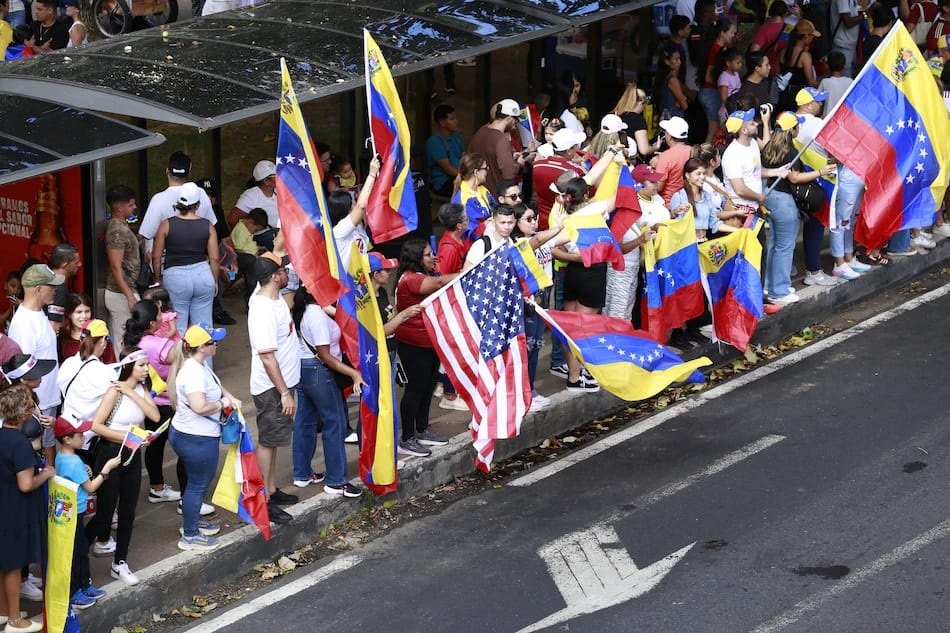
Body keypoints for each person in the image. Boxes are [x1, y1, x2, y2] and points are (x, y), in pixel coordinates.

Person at [83, 348, 159, 587]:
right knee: (105, 514)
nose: (146, 370)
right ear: (128, 366)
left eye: (147, 365)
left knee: (128, 511)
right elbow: (96, 426)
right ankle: (77, 554)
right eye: (141, 366)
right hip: (110, 454)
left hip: (132, 454)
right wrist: (129, 436)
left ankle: (120, 562)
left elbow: (155, 416)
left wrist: (133, 392)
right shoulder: (113, 391)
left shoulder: (139, 389)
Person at [290, 288, 363, 497]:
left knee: (305, 422)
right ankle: (336, 481)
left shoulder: (306, 310)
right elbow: (325, 355)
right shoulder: (317, 316)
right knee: (335, 423)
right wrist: (353, 373)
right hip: (320, 372)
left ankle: (302, 473)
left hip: (303, 370)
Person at [170, 324, 237, 551]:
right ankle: (190, 535)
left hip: (189, 434)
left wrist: (229, 397)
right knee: (197, 485)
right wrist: (223, 404)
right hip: (197, 438)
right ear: (200, 347)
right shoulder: (194, 374)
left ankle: (192, 522)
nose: (216, 344)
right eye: (212, 342)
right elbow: (200, 406)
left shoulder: (198, 366)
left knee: (193, 484)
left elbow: (217, 387)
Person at [393, 240, 458, 458]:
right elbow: (439, 283)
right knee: (414, 391)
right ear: (416, 258)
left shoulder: (419, 276)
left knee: (428, 387)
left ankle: (422, 429)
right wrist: (466, 272)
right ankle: (408, 437)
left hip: (428, 343)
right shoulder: (412, 280)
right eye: (429, 255)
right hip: (413, 346)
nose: (433, 257)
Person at [247, 253, 299, 523]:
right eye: (283, 270)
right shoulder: (263, 309)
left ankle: (272, 489)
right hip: (272, 389)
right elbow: (267, 357)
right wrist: (284, 393)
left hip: (281, 386)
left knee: (275, 439)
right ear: (275, 277)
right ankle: (262, 500)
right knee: (267, 441)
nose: (288, 272)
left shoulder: (270, 292)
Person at [761, 111, 833, 304]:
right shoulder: (791, 151)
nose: (798, 128)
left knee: (775, 245)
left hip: (770, 197)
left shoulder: (769, 146)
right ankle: (780, 291)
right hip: (784, 201)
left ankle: (769, 285)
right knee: (785, 247)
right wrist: (820, 171)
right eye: (797, 126)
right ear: (792, 130)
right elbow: (794, 177)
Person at [0, 384, 54, 633]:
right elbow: (26, 484)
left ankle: (2, 611)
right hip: (16, 510)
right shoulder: (20, 443)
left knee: (3, 563)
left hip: (3, 504)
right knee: (12, 565)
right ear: (23, 413)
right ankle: (14, 619)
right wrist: (46, 474)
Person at [122, 301, 187, 507]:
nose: (163, 317)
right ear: (151, 323)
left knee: (155, 445)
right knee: (185, 446)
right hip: (168, 402)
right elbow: (184, 356)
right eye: (160, 314)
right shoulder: (159, 345)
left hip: (150, 401)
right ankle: (188, 496)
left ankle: (156, 488)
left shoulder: (135, 342)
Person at [53, 417, 121, 610]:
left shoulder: (62, 457)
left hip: (69, 511)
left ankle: (84, 585)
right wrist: (106, 470)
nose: (83, 437)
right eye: (79, 435)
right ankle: (76, 591)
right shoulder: (74, 461)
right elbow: (91, 487)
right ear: (67, 439)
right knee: (76, 553)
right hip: (75, 511)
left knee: (81, 549)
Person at [511, 203, 566, 410]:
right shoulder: (520, 244)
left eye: (535, 218)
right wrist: (558, 228)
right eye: (528, 219)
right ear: (516, 223)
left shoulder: (541, 239)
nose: (533, 221)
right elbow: (537, 240)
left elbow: (565, 237)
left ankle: (530, 389)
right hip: (526, 302)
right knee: (527, 348)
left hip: (541, 299)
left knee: (534, 347)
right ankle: (524, 393)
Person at [8, 263, 62, 466]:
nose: (55, 289)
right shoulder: (24, 324)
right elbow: (23, 371)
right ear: (38, 289)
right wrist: (34, 408)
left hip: (48, 397)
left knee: (49, 446)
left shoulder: (39, 312)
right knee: (42, 453)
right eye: (51, 285)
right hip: (40, 403)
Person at [152, 182, 219, 336]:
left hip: (175, 275)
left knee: (178, 327)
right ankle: (203, 359)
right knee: (203, 328)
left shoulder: (166, 224)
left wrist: (158, 277)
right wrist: (214, 280)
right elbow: (214, 259)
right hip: (202, 273)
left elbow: (156, 256)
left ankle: (179, 359)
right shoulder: (207, 225)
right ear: (198, 205)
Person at [138, 152, 217, 264]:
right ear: (189, 173)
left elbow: (147, 234)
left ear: (167, 171)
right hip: (198, 260)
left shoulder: (158, 199)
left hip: (168, 263)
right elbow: (211, 228)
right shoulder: (201, 194)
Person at [103, 185, 142, 342]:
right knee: (125, 340)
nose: (135, 208)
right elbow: (115, 266)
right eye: (131, 204)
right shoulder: (116, 230)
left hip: (124, 291)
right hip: (120, 294)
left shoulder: (120, 226)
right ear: (119, 207)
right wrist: (129, 296)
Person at [532, 129, 589, 230]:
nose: (577, 149)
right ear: (569, 151)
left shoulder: (537, 165)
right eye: (575, 146)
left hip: (543, 223)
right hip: (565, 225)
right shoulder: (576, 171)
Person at [468, 99, 525, 195]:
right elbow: (508, 174)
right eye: (516, 120)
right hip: (495, 196)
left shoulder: (480, 132)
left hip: (477, 192)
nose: (516, 124)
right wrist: (519, 164)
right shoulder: (501, 139)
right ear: (509, 118)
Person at [699, 18, 738, 143]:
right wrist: (724, 84)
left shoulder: (720, 48)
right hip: (711, 93)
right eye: (731, 33)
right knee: (714, 130)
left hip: (710, 93)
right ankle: (704, 157)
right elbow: (708, 76)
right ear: (722, 33)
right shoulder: (716, 50)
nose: (733, 35)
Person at [59, 293, 117, 364]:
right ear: (69, 314)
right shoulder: (61, 334)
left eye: (87, 311)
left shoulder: (100, 332)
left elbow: (111, 363)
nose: (84, 316)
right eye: (79, 312)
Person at [777, 20, 821, 110]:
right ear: (805, 36)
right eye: (812, 36)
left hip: (781, 95)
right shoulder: (805, 56)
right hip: (798, 98)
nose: (812, 39)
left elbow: (778, 74)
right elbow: (811, 82)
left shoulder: (783, 52)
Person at [452, 153, 496, 241]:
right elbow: (471, 233)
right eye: (485, 168)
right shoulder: (463, 199)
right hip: (476, 246)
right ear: (476, 172)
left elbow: (496, 209)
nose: (488, 171)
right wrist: (488, 223)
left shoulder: (483, 190)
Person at [426, 104, 465, 198]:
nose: (456, 121)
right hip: (443, 183)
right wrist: (468, 177)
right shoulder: (434, 142)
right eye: (452, 119)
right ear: (442, 122)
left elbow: (464, 157)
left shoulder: (457, 137)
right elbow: (448, 169)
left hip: (460, 176)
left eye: (455, 118)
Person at [228, 160, 278, 229]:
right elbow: (232, 218)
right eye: (275, 175)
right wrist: (242, 236)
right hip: (263, 238)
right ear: (266, 181)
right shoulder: (251, 196)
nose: (279, 177)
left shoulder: (280, 192)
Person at [611, 83, 656, 158]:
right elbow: (644, 150)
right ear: (641, 102)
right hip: (629, 161)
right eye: (644, 104)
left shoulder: (613, 116)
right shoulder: (638, 120)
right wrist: (655, 147)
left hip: (611, 157)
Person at [655, 116, 692, 205]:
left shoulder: (665, 157)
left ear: (670, 137)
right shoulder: (692, 151)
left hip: (669, 204)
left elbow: (658, 187)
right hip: (690, 200)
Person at [45, 243, 81, 334]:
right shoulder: (59, 288)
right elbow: (54, 325)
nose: (80, 265)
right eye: (76, 262)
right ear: (65, 265)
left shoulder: (44, 281)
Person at [831, 0, 871, 76]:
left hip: (851, 46)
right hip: (842, 46)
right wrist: (865, 14)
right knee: (846, 83)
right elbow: (847, 22)